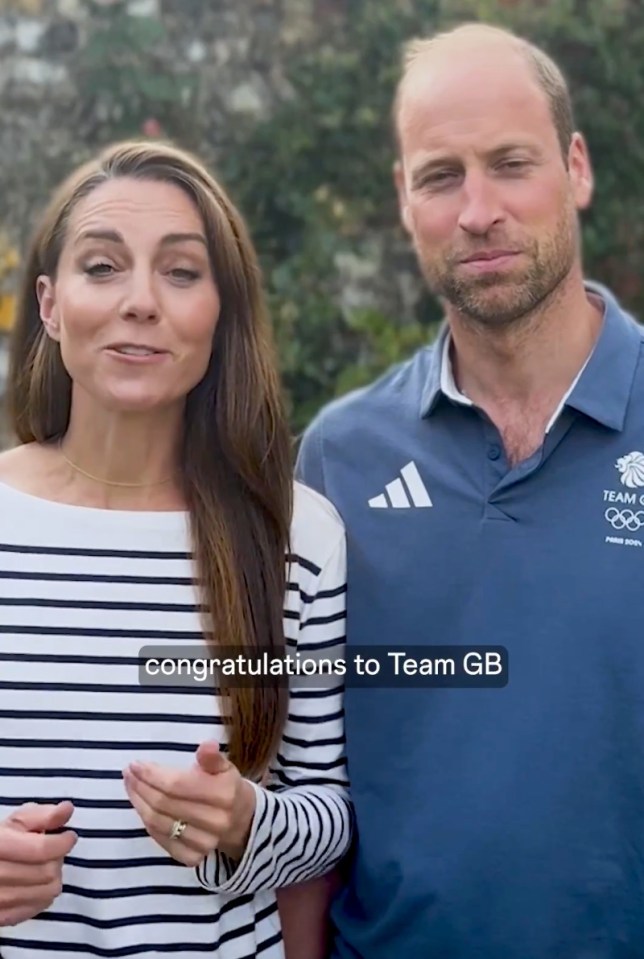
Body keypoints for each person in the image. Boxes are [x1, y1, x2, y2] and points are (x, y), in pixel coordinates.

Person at [296, 20, 644, 959]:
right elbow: (301, 781)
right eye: (441, 175)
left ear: (576, 167)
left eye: (511, 163)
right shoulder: (338, 460)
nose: (477, 209)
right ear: (404, 199)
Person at [0, 138, 352, 958]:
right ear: (49, 306)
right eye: (103, 266)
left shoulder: (297, 538)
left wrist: (247, 824)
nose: (142, 302)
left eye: (183, 272)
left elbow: (330, 816)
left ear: (220, 314)